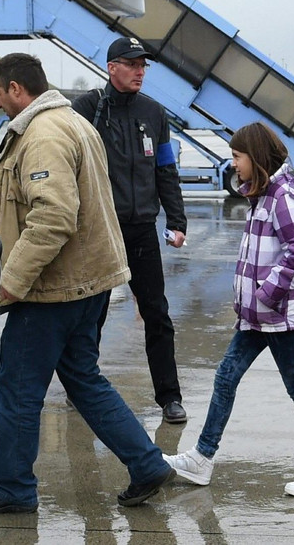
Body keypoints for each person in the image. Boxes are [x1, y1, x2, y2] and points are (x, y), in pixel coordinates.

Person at [0, 53, 174, 513]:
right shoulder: (74, 122)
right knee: (83, 378)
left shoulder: (43, 135)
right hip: (89, 282)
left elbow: (52, 218)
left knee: (18, 388)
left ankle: (12, 488)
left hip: (53, 288)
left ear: (15, 89)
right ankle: (146, 462)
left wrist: (11, 282)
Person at [163, 122, 294, 497]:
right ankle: (202, 457)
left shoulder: (283, 197)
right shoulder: (263, 194)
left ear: (256, 158)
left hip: (273, 315)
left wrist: (267, 294)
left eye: (237, 157)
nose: (233, 165)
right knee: (226, 378)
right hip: (257, 315)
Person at [72, 37, 187, 423]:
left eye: (143, 65)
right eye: (131, 64)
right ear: (111, 67)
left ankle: (169, 397)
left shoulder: (154, 113)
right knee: (93, 313)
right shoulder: (88, 109)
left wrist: (177, 219)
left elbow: (166, 169)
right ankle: (81, 386)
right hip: (102, 229)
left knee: (156, 313)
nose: (140, 71)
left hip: (141, 230)